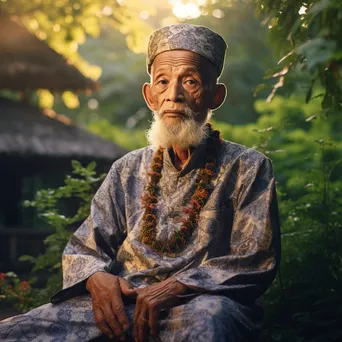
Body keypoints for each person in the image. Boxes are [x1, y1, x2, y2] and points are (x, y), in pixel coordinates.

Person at [0, 24, 281, 342]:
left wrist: (178, 285)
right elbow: (85, 247)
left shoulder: (249, 167)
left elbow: (255, 259)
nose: (173, 95)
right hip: (124, 305)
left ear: (215, 95)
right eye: (163, 82)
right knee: (16, 331)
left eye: (190, 81)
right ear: (150, 96)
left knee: (210, 321)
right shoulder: (127, 169)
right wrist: (95, 278)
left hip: (198, 304)